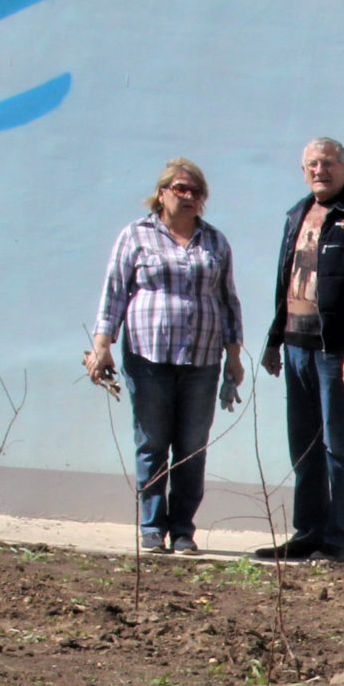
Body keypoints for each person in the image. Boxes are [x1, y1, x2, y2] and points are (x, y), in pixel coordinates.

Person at [86, 158, 246, 555]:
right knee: (153, 441)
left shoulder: (215, 242)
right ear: (161, 193)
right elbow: (114, 293)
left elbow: (229, 302)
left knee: (192, 445)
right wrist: (102, 344)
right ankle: (153, 527)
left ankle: (184, 530)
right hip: (148, 357)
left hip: (203, 359)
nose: (189, 196)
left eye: (196, 191)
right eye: (180, 188)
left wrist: (234, 358)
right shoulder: (136, 235)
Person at [254, 137, 344, 565]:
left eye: (329, 163)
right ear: (303, 171)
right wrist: (275, 339)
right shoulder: (296, 214)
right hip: (296, 346)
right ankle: (307, 532)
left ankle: (336, 540)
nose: (320, 170)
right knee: (304, 445)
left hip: (337, 350)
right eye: (312, 164)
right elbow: (286, 280)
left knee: (338, 444)